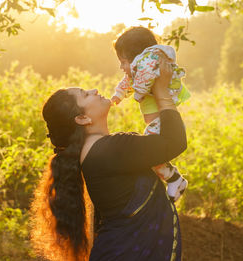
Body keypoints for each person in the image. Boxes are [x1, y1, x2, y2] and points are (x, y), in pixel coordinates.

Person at [30, 59, 186, 261]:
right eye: (86, 94)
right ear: (82, 119)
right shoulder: (111, 150)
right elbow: (173, 142)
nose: (94, 90)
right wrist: (162, 90)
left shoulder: (97, 152)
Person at [112, 26, 190, 201]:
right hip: (159, 121)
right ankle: (174, 178)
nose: (121, 66)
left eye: (124, 61)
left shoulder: (150, 68)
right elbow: (127, 82)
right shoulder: (138, 70)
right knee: (151, 152)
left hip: (163, 121)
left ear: (138, 58)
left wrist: (138, 94)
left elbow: (142, 83)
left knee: (148, 150)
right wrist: (118, 95)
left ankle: (175, 179)